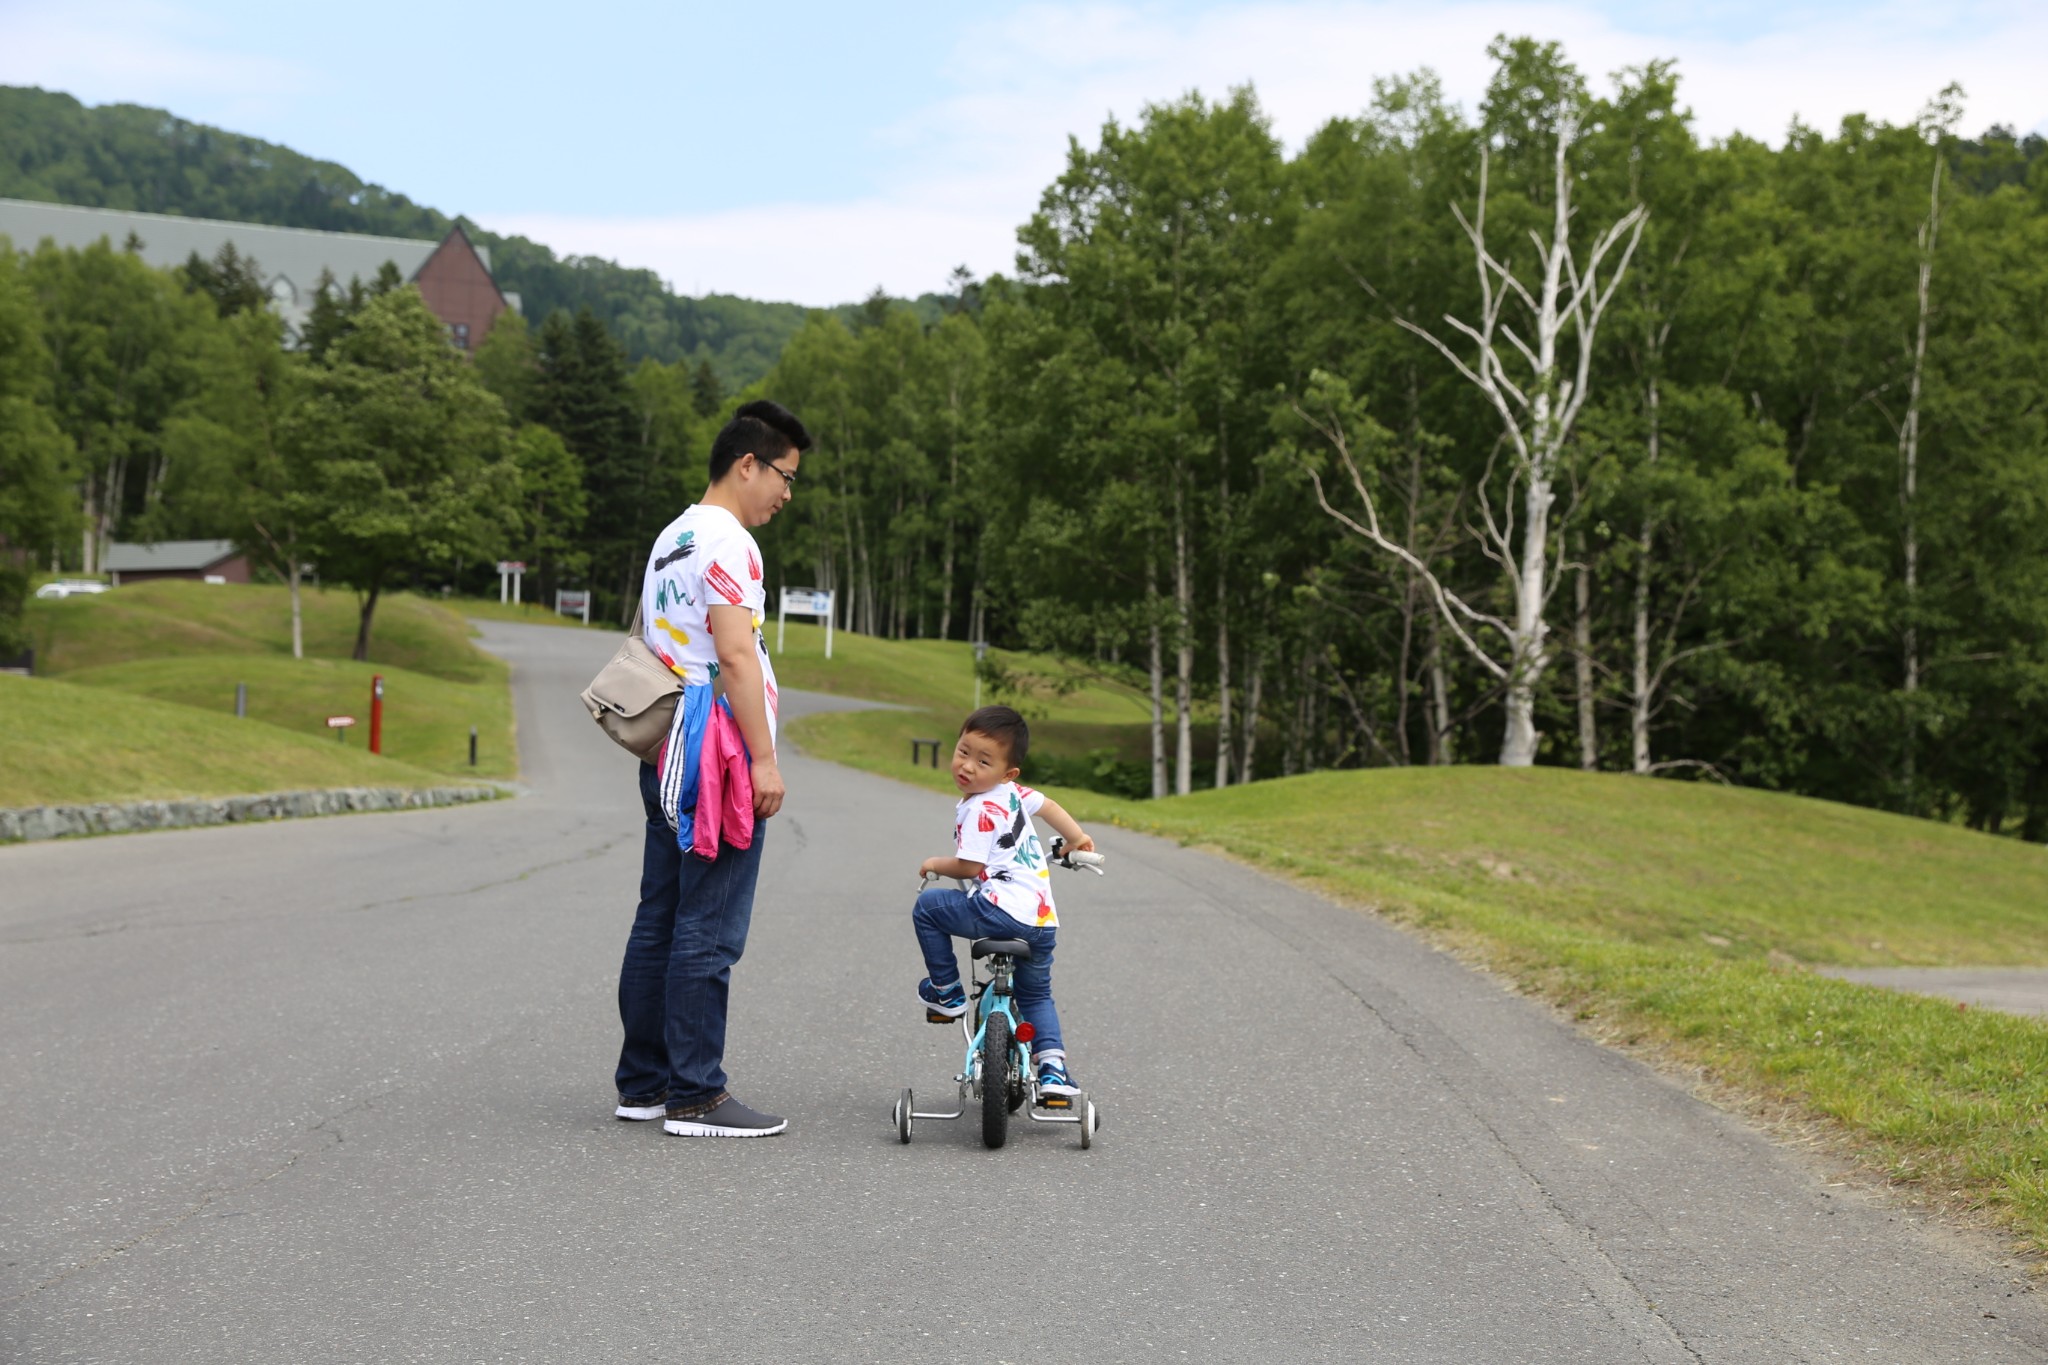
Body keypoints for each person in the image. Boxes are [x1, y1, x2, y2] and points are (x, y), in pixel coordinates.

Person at [613, 399, 811, 1138]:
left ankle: (645, 1083)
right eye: (784, 476)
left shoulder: (673, 534)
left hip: (665, 743)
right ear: (747, 464)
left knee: (660, 914)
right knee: (710, 921)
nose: (787, 494)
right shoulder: (730, 543)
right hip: (715, 749)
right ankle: (696, 1093)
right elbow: (733, 654)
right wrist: (763, 759)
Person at [911, 705, 1095, 1100]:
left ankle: (947, 993)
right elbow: (1047, 806)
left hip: (997, 911)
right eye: (963, 752)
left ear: (1008, 773)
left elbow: (969, 865)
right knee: (1036, 995)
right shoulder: (1014, 794)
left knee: (928, 910)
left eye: (983, 761)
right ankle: (1053, 1071)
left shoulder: (978, 808)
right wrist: (1077, 840)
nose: (968, 767)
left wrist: (933, 864)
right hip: (1042, 922)